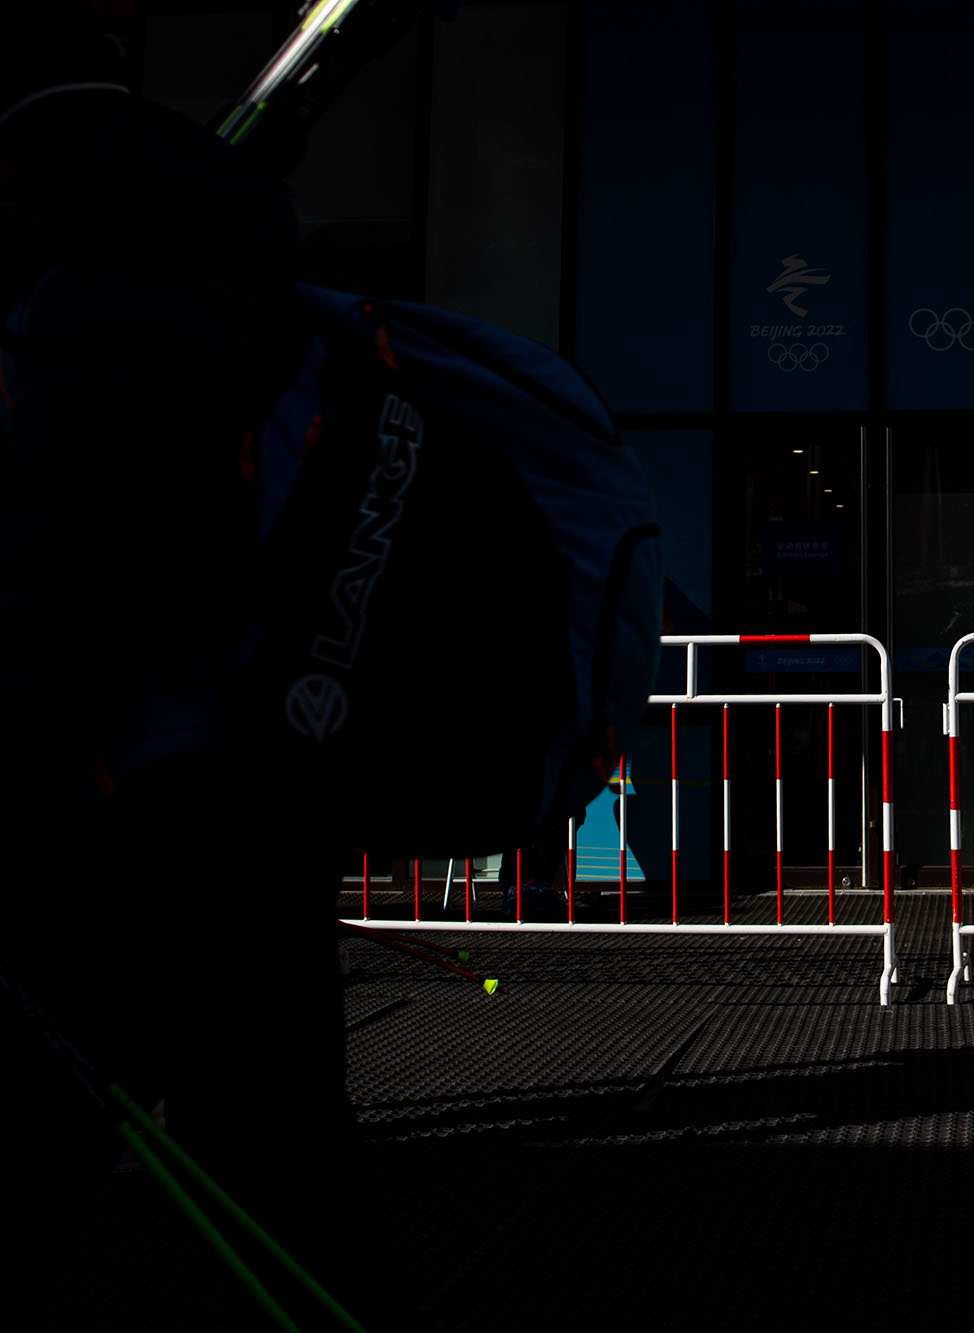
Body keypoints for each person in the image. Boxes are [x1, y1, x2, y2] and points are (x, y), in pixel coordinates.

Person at [0, 11, 406, 1326]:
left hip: (105, 802)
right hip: (248, 781)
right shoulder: (196, 216)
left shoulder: (74, 231)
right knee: (286, 1172)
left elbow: (88, 549)